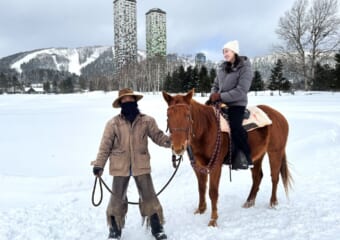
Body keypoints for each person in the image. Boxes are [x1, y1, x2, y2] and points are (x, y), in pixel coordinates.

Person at [92, 88, 171, 240]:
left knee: (149, 197)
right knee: (116, 199)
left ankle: (156, 227)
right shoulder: (113, 123)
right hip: (120, 166)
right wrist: (99, 165)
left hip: (141, 164)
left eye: (130, 99)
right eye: (124, 99)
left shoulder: (147, 121)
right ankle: (115, 230)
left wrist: (173, 143)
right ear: (120, 102)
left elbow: (159, 137)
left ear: (135, 101)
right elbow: (105, 146)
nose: (128, 102)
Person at [209, 40, 253, 170]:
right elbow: (215, 85)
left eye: (227, 51)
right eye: (223, 51)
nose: (225, 54)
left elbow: (241, 90)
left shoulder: (245, 68)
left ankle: (245, 157)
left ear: (234, 51)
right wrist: (213, 96)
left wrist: (221, 96)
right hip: (220, 103)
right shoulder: (222, 68)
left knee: (235, 126)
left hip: (237, 104)